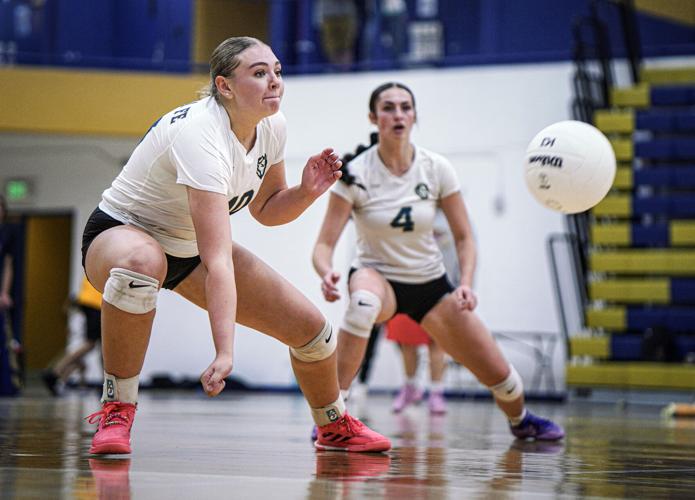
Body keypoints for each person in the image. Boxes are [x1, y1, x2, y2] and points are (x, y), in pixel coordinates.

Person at [81, 36, 390, 455]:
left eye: (277, 71)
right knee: (141, 263)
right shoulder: (199, 134)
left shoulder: (271, 125)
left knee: (313, 332)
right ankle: (117, 408)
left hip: (187, 250)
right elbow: (218, 260)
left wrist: (306, 191)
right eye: (259, 73)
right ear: (224, 86)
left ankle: (333, 425)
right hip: (121, 233)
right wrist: (225, 352)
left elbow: (266, 208)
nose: (274, 82)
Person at [312, 82, 564, 441]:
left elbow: (464, 237)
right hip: (376, 276)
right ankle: (332, 419)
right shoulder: (354, 173)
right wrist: (327, 272)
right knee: (362, 304)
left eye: (405, 107)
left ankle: (521, 420)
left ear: (414, 116)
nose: (397, 114)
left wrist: (465, 284)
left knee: (506, 382)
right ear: (373, 117)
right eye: (388, 107)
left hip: (430, 283)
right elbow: (323, 244)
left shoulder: (437, 168)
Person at [42, 276, 102, 396]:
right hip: (97, 301)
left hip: (90, 297)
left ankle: (107, 383)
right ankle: (55, 372)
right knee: (92, 344)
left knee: (102, 345)